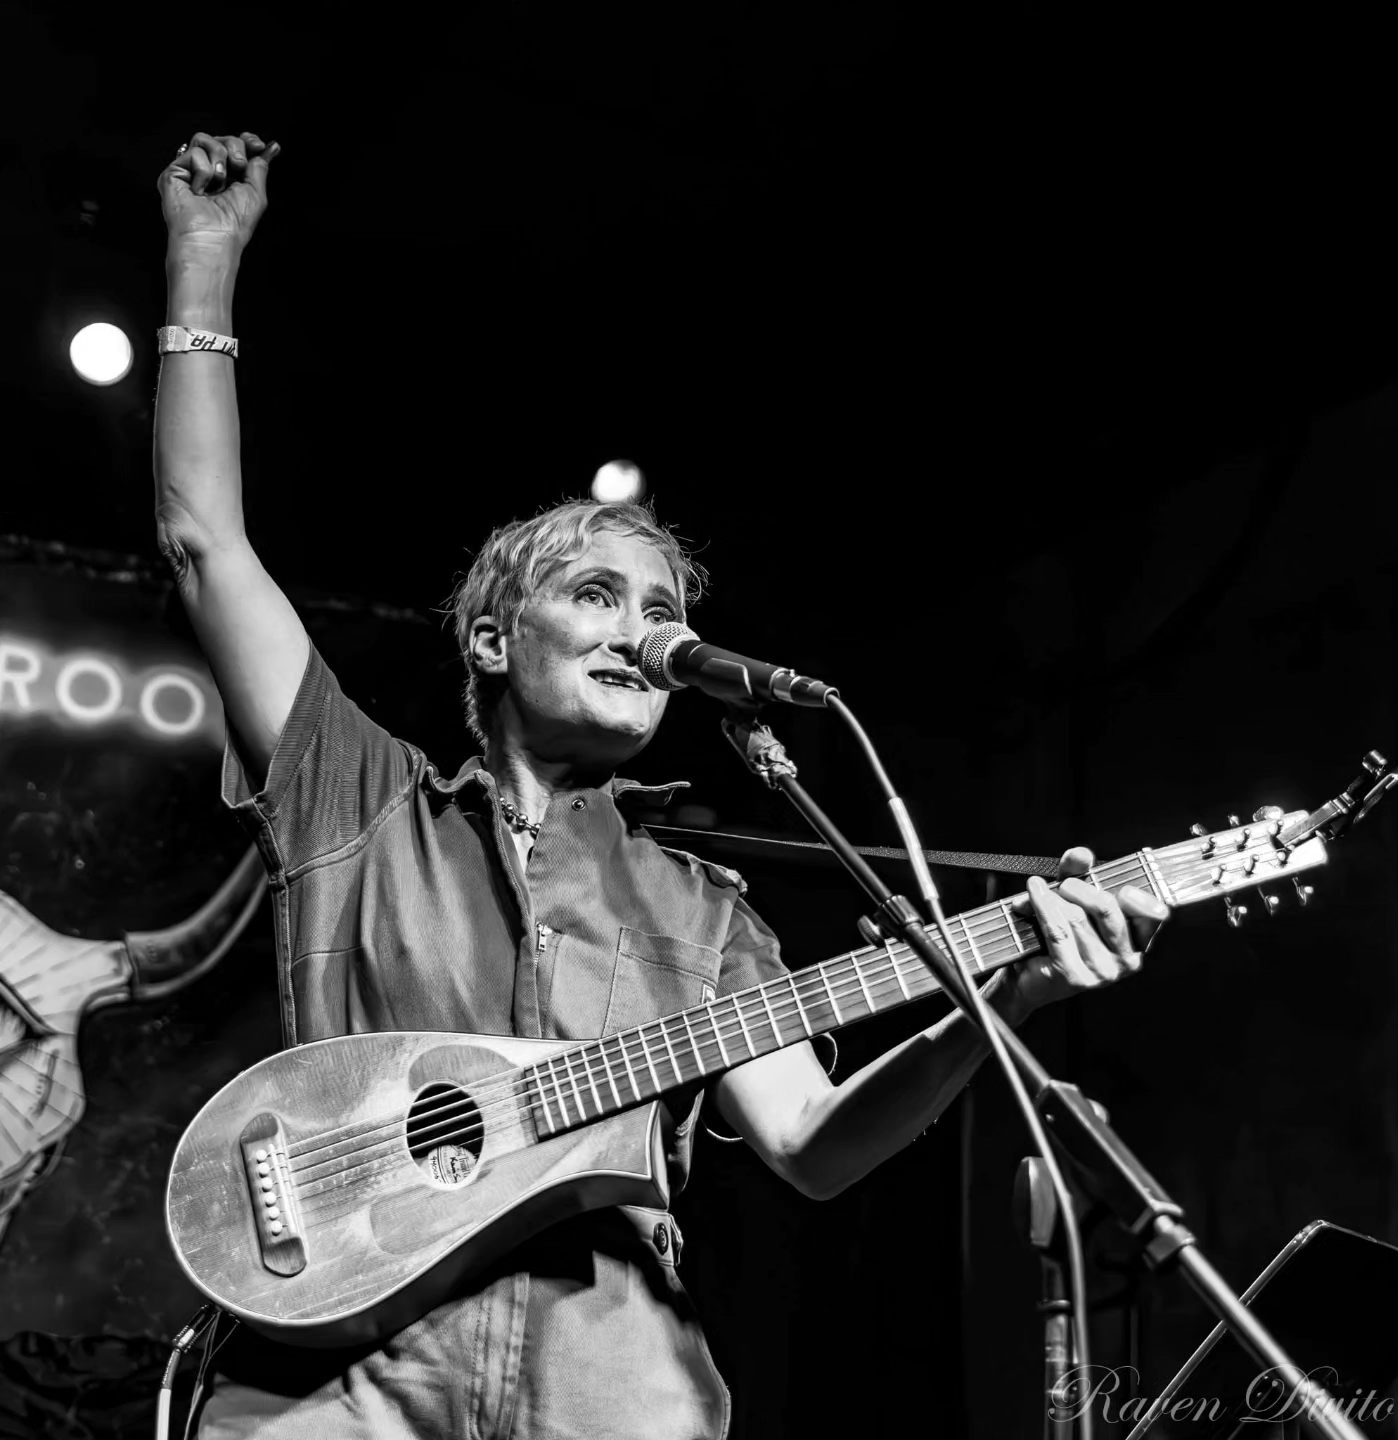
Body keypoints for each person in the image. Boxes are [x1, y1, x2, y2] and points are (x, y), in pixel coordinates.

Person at [154, 131, 1168, 1440]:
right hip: (338, 1366)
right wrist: (204, 261)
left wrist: (1003, 992)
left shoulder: (704, 907)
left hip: (609, 1372)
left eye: (665, 609)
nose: (642, 628)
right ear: (489, 642)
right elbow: (203, 542)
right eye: (595, 596)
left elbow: (813, 1143)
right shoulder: (358, 798)